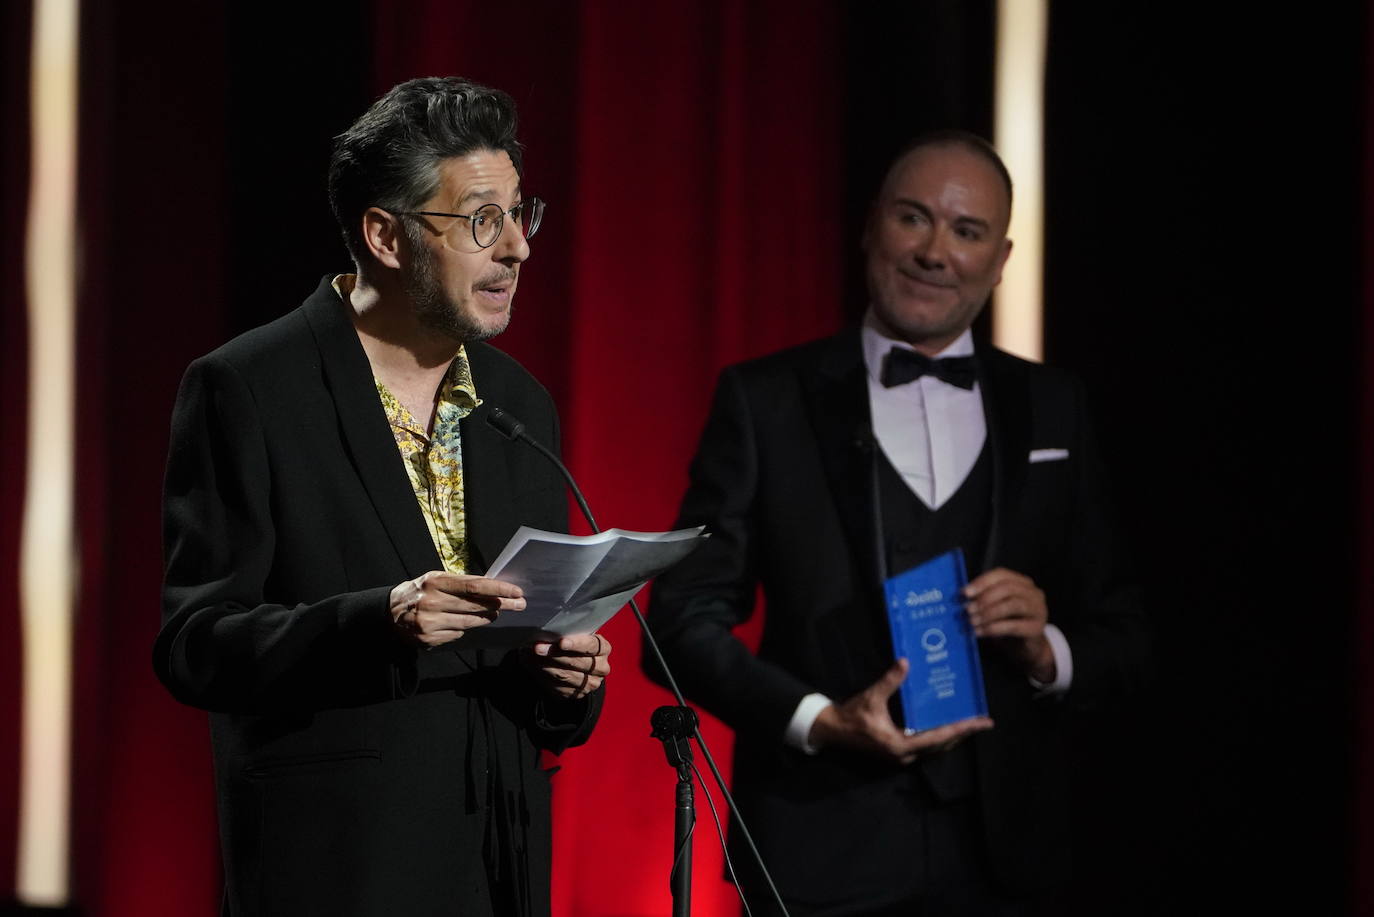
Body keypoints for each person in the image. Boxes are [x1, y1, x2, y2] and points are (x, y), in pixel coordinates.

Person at [646, 131, 1147, 916]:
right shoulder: (765, 399)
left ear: (1003, 255)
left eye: (967, 230)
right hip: (816, 851)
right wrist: (819, 720)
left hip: (1010, 860)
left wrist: (1047, 648)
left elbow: (1125, 633)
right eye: (914, 218)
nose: (934, 252)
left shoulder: (1057, 407)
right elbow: (679, 620)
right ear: (871, 224)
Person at [154, 77, 611, 917]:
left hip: (497, 865)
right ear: (385, 236)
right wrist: (377, 619)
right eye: (483, 220)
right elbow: (195, 646)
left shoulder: (520, 404)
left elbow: (526, 659)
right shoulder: (248, 388)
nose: (518, 249)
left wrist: (566, 680)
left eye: (520, 214)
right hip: (338, 866)